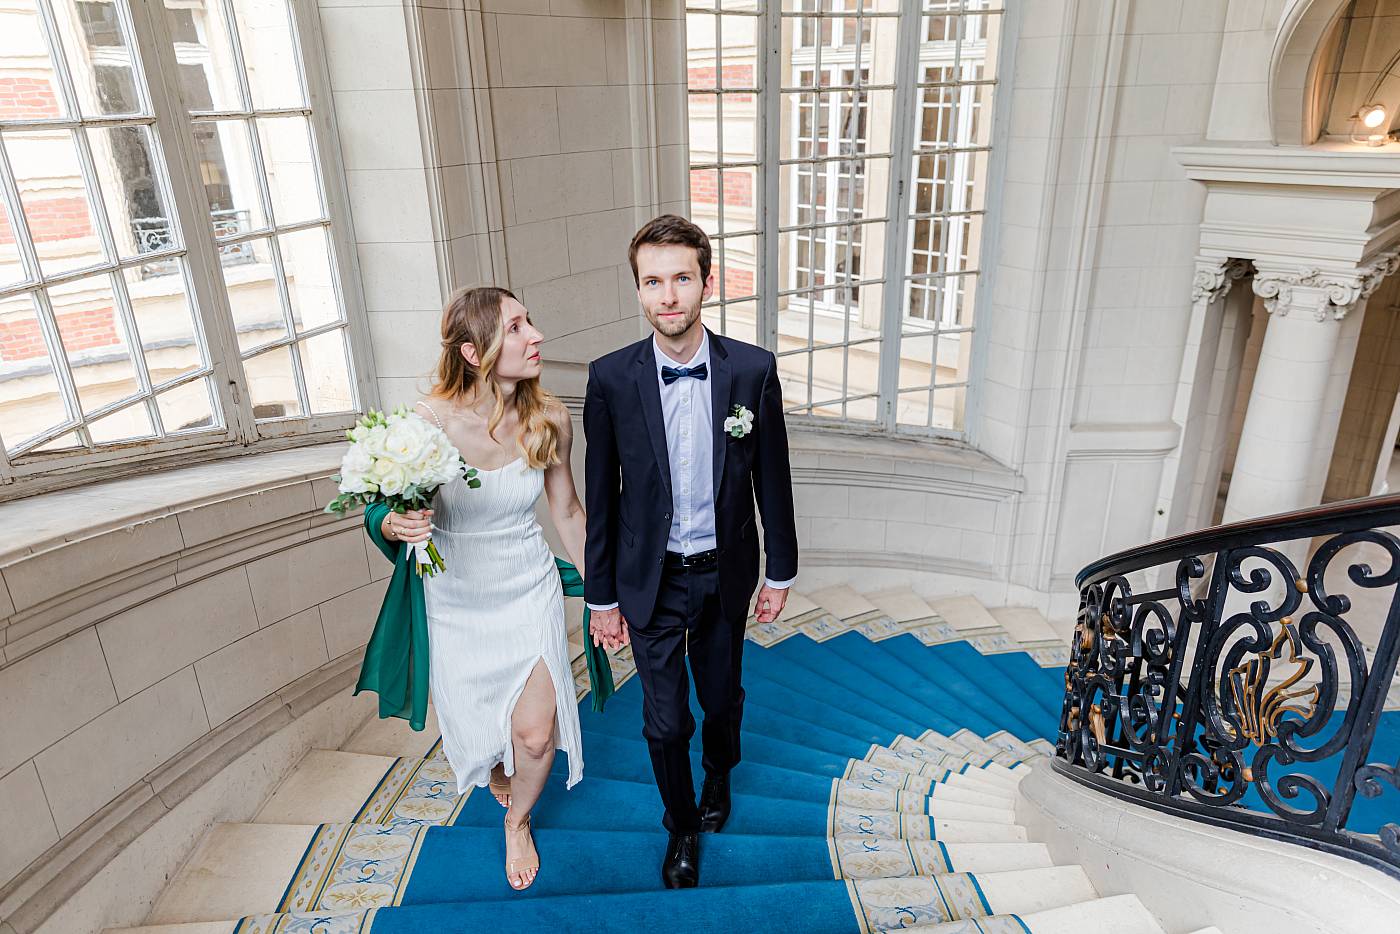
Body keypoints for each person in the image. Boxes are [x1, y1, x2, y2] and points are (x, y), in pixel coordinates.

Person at [583, 215, 799, 888]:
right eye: (653, 282)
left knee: (721, 698)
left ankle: (719, 776)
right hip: (649, 579)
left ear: (706, 282)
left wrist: (780, 571)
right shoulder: (610, 379)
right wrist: (601, 597)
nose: (668, 295)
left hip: (724, 574)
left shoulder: (753, 372)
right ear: (639, 292)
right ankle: (679, 827)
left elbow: (773, 477)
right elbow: (602, 495)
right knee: (664, 719)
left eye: (681, 278)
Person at [384, 286, 600, 892]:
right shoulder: (424, 425)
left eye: (529, 320)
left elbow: (569, 514)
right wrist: (395, 521)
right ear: (474, 351)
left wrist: (605, 598)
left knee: (537, 732)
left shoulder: (549, 416)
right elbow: (388, 508)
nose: (535, 336)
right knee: (488, 728)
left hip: (526, 586)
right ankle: (499, 765)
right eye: (515, 327)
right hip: (455, 599)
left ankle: (518, 821)